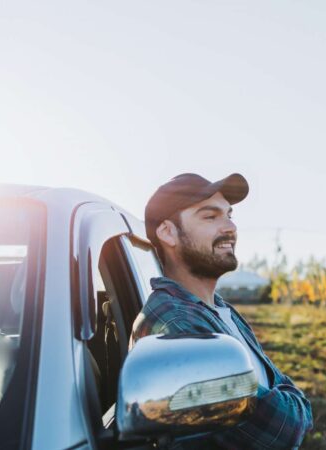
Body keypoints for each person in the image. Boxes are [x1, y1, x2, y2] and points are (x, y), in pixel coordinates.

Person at [130, 173, 313, 449]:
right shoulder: (175, 327)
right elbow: (281, 431)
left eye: (229, 215)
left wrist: (289, 402)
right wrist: (294, 402)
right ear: (168, 232)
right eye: (210, 217)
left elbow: (281, 398)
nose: (230, 227)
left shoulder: (222, 310)